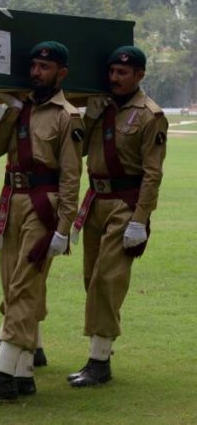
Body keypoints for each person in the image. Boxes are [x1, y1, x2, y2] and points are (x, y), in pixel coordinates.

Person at [0, 41, 83, 403]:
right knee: (11, 286)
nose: (36, 73)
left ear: (61, 73)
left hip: (42, 205)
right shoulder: (21, 109)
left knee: (24, 288)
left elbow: (72, 176)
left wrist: (64, 227)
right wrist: (12, 111)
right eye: (33, 66)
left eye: (45, 68)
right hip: (10, 203)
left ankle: (2, 375)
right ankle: (24, 372)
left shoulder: (67, 116)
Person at [68, 46, 167, 387]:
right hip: (95, 200)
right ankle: (100, 351)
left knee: (107, 281)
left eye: (123, 73)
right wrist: (91, 118)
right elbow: (76, 151)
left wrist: (141, 219)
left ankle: (98, 363)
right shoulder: (100, 108)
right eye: (111, 72)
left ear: (139, 75)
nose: (114, 78)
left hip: (125, 203)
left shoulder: (150, 115)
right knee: (90, 278)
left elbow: (152, 173)